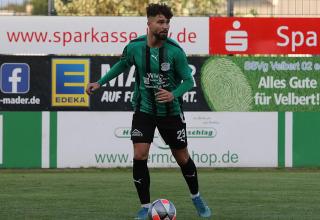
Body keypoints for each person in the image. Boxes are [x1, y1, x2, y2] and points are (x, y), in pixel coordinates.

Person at [86, 3, 212, 219]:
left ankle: (196, 197)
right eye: (161, 22)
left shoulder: (175, 51)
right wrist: (100, 82)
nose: (165, 27)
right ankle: (145, 206)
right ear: (149, 23)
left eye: (168, 23)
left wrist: (173, 94)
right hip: (144, 109)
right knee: (139, 154)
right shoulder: (135, 47)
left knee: (182, 158)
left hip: (170, 113)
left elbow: (189, 80)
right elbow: (122, 64)